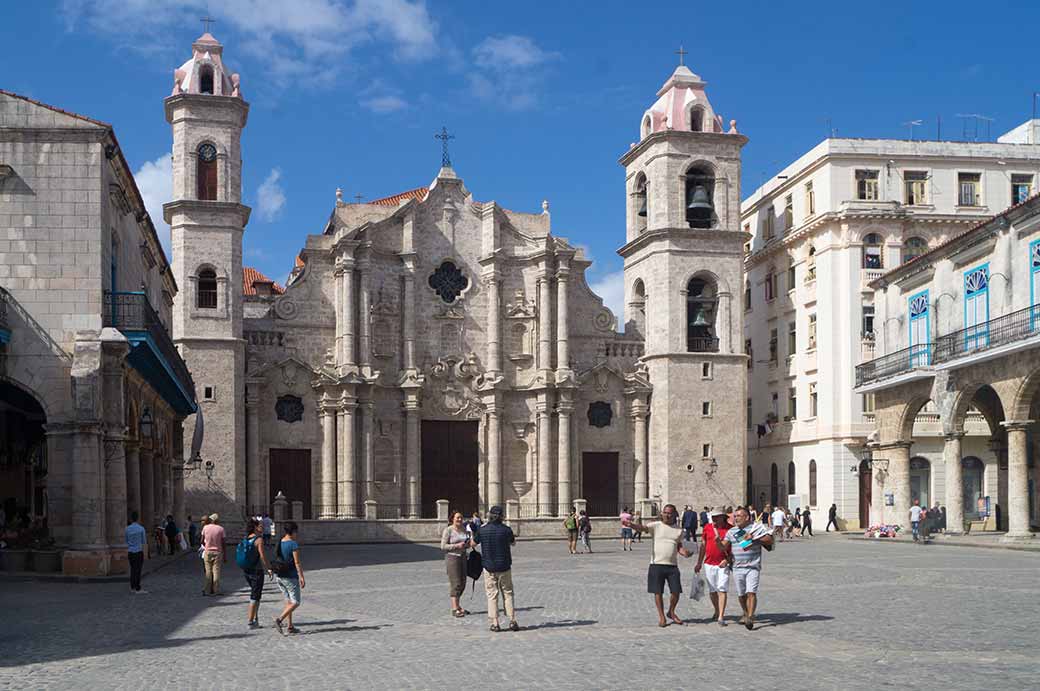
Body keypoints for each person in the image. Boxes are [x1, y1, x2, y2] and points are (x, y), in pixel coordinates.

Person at [624, 504, 691, 628]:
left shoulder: (679, 530)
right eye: (665, 512)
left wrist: (685, 553)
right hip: (656, 564)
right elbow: (643, 528)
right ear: (662, 513)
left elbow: (679, 546)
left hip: (672, 565)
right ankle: (662, 617)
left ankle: (671, 611)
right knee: (658, 592)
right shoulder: (655, 526)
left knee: (676, 591)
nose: (667, 515)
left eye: (670, 513)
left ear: (674, 514)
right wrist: (631, 525)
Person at [721, 506, 774, 630]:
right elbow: (724, 547)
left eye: (738, 516)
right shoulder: (732, 531)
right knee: (741, 594)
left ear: (746, 517)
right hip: (737, 567)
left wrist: (754, 537)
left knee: (751, 592)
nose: (736, 518)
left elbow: (769, 540)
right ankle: (745, 612)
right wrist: (718, 543)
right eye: (735, 516)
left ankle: (750, 617)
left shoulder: (755, 528)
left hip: (753, 566)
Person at [472, 505, 519, 632]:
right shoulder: (506, 530)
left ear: (489, 516)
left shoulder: (483, 530)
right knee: (508, 593)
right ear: (502, 516)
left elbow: (473, 543)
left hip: (489, 567)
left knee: (492, 595)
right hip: (504, 566)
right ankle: (512, 620)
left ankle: (495, 623)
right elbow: (513, 543)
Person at [695, 510, 731, 626]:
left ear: (723, 517)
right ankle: (716, 609)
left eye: (716, 517)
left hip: (723, 563)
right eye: (713, 517)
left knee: (722, 588)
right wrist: (699, 563)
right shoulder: (707, 527)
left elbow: (736, 547)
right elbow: (703, 545)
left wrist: (728, 560)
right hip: (709, 563)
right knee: (713, 591)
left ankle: (721, 615)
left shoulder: (730, 529)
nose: (714, 519)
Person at [272, 521, 305, 635]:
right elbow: (297, 562)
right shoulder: (293, 544)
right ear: (293, 532)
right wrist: (301, 576)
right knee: (296, 602)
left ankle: (290, 626)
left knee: (289, 602)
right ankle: (279, 620)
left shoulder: (280, 541)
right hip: (290, 576)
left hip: (280, 576)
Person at [240, 517, 272, 629]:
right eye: (260, 526)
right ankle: (250, 621)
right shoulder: (259, 540)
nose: (262, 527)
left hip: (246, 570)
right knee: (254, 596)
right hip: (256, 571)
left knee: (256, 595)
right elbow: (262, 557)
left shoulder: (246, 538)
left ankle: (255, 619)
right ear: (255, 527)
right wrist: (268, 569)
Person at [441, 511, 471, 617]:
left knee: (463, 582)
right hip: (452, 558)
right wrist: (457, 545)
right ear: (452, 519)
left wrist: (467, 544)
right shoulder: (448, 530)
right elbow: (443, 546)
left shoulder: (464, 529)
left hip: (463, 557)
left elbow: (467, 543)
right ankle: (454, 608)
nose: (459, 519)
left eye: (461, 517)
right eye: (457, 518)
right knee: (456, 583)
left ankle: (458, 606)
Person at [201, 512, 226, 595]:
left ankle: (207, 590)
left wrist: (206, 545)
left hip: (208, 551)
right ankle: (216, 590)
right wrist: (225, 555)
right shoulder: (221, 529)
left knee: (208, 571)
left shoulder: (205, 528)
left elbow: (201, 540)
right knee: (216, 572)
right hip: (218, 552)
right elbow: (223, 543)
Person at [126, 511, 147, 594]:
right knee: (138, 570)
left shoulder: (127, 528)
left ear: (131, 519)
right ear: (138, 518)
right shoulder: (141, 528)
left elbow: (126, 540)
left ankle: (132, 587)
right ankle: (137, 588)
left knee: (132, 569)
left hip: (130, 551)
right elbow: (144, 541)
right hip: (138, 551)